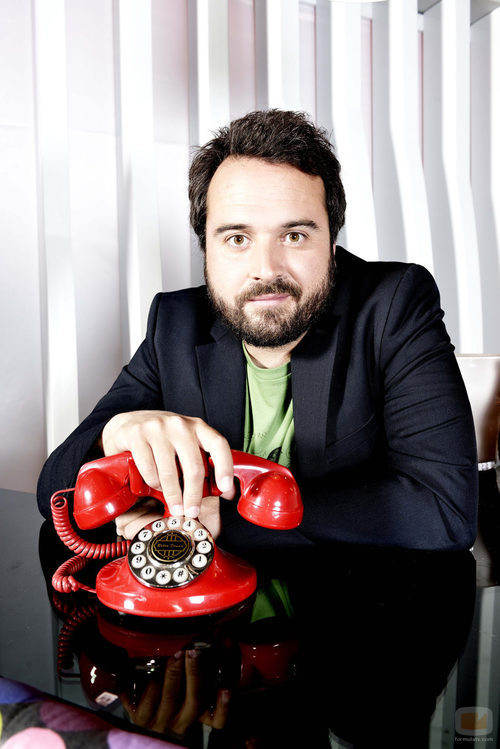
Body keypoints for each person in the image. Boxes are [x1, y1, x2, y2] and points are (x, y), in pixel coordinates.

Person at [37, 109, 478, 555]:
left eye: (294, 236)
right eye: (237, 239)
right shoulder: (175, 323)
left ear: (332, 242)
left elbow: (444, 512)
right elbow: (52, 495)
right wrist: (111, 434)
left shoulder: (394, 305)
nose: (266, 270)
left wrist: (216, 518)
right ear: (206, 249)